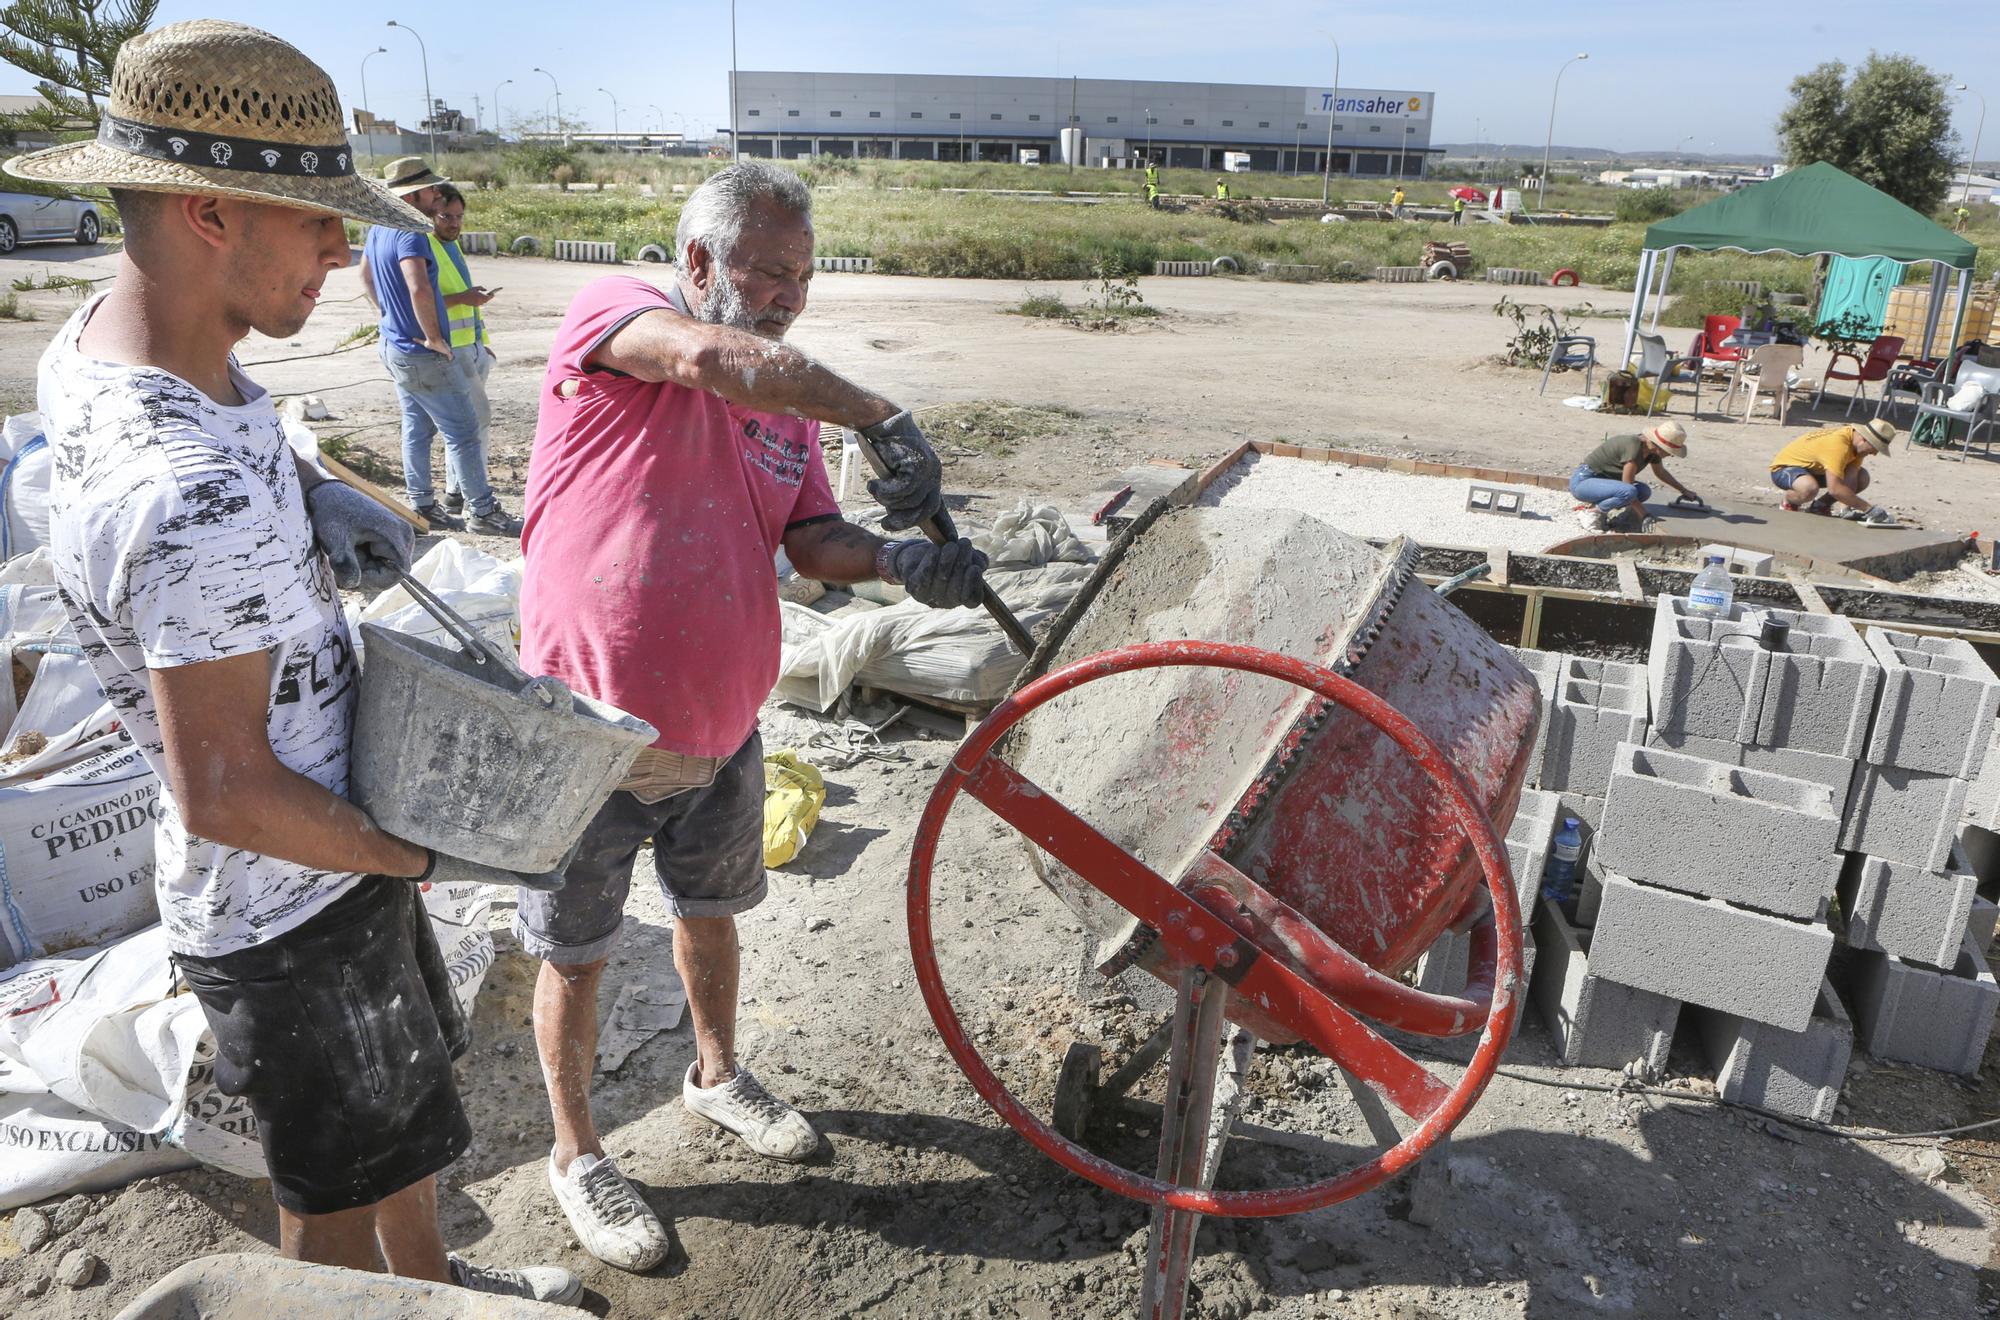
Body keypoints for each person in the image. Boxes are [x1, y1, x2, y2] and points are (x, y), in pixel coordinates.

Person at [5, 20, 578, 1304]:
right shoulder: (188, 486)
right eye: (317, 220)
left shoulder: (113, 345)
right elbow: (227, 791)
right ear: (208, 211)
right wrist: (437, 853)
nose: (346, 249)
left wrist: (314, 488)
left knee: (407, 1136)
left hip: (329, 868)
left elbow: (207, 465)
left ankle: (434, 1291)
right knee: (326, 1213)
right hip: (288, 907)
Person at [517, 161, 989, 1273]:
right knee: (574, 950)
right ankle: (576, 1153)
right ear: (698, 264)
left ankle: (717, 1076)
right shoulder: (620, 323)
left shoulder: (784, 420)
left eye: (802, 279)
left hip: (722, 724)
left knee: (712, 911)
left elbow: (808, 538)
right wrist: (881, 414)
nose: (784, 296)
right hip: (587, 732)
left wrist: (894, 560)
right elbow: (704, 357)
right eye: (767, 271)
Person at [358, 157, 520, 535]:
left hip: (394, 345)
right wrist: (433, 338)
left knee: (416, 428)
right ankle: (482, 513)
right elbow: (419, 285)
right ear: (414, 194)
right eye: (431, 190)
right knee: (463, 431)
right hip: (422, 353)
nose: (436, 196)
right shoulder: (411, 230)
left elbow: (365, 276)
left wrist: (388, 316)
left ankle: (423, 506)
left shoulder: (380, 228)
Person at [427, 183, 497, 519]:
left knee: (462, 428)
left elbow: (464, 301)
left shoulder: (452, 247)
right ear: (431, 214)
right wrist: (464, 299)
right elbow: (420, 302)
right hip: (449, 352)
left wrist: (482, 344)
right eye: (446, 216)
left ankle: (457, 492)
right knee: (472, 425)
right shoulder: (427, 247)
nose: (454, 223)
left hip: (469, 349)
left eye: (458, 217)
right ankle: (475, 499)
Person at [1568, 420, 1698, 532]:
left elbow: (1661, 472)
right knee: (1629, 492)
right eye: (1670, 452)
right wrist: (1644, 515)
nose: (1670, 455)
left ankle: (1604, 510)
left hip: (1602, 483)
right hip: (1584, 482)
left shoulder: (1652, 452)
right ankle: (1591, 513)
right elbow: (1627, 484)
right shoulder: (1634, 446)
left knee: (1643, 491)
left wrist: (1683, 490)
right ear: (1660, 447)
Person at [1769, 418, 1896, 523]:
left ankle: (1820, 506)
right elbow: (1835, 489)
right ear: (1864, 439)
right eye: (1875, 448)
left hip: (1815, 470)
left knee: (1862, 477)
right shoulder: (1838, 445)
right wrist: (1869, 509)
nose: (1874, 454)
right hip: (1785, 469)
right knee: (1809, 489)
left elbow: (1851, 478)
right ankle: (1789, 501)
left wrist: (1845, 509)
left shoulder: (1857, 447)